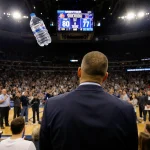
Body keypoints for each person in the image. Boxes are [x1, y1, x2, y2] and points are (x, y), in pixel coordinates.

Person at [40, 51, 138, 150]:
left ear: (79, 72)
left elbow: (44, 146)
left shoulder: (52, 104)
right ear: (105, 77)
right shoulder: (126, 109)